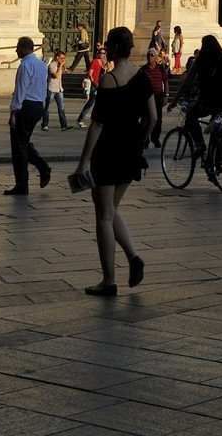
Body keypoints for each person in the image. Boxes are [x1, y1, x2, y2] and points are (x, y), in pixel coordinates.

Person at [73, 26, 153, 296]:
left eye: (107, 44)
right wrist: (140, 141)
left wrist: (83, 162)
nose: (104, 48)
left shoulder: (109, 79)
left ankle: (109, 281)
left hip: (107, 151)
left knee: (103, 216)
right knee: (110, 208)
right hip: (131, 152)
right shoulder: (141, 77)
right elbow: (153, 117)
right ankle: (133, 257)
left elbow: (97, 124)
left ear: (115, 48)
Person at [5, 37, 51, 196]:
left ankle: (22, 184)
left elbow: (20, 90)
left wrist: (13, 112)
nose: (16, 50)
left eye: (18, 47)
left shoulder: (25, 65)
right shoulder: (41, 64)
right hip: (38, 106)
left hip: (25, 107)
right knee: (23, 143)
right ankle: (42, 168)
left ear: (25, 48)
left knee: (19, 147)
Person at [77, 44, 106, 127]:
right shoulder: (95, 62)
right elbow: (90, 73)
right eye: (100, 53)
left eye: (103, 53)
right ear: (98, 53)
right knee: (90, 103)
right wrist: (94, 83)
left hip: (101, 85)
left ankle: (98, 120)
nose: (102, 54)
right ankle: (81, 119)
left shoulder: (103, 63)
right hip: (95, 85)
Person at [143, 49, 167, 147]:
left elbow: (165, 81)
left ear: (156, 56)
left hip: (158, 97)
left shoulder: (160, 68)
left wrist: (166, 95)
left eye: (152, 55)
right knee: (145, 119)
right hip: (146, 97)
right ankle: (145, 139)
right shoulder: (143, 69)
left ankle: (155, 139)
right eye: (148, 55)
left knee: (158, 119)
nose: (150, 57)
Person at [41, 50, 70, 130]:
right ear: (57, 57)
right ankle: (44, 125)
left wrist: (64, 67)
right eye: (61, 58)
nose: (63, 60)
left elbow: (67, 72)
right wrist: (60, 66)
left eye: (64, 58)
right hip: (52, 88)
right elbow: (56, 75)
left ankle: (64, 125)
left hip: (59, 89)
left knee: (61, 108)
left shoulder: (60, 65)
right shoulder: (52, 65)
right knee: (48, 108)